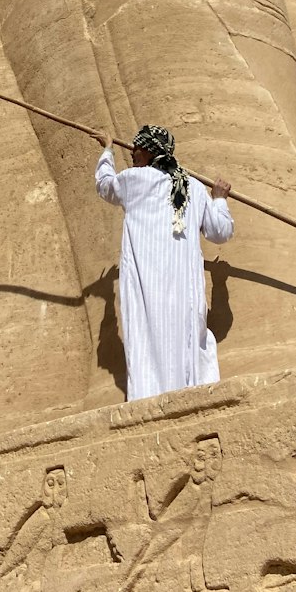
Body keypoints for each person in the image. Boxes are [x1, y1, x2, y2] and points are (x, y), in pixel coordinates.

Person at [95, 125, 233, 401]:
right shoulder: (193, 187)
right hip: (184, 290)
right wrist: (218, 200)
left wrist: (107, 150)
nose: (133, 156)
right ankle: (192, 396)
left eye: (136, 151)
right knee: (186, 340)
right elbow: (221, 231)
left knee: (146, 337)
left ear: (146, 153)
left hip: (148, 285)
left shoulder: (134, 179)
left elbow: (104, 186)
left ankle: (151, 401)